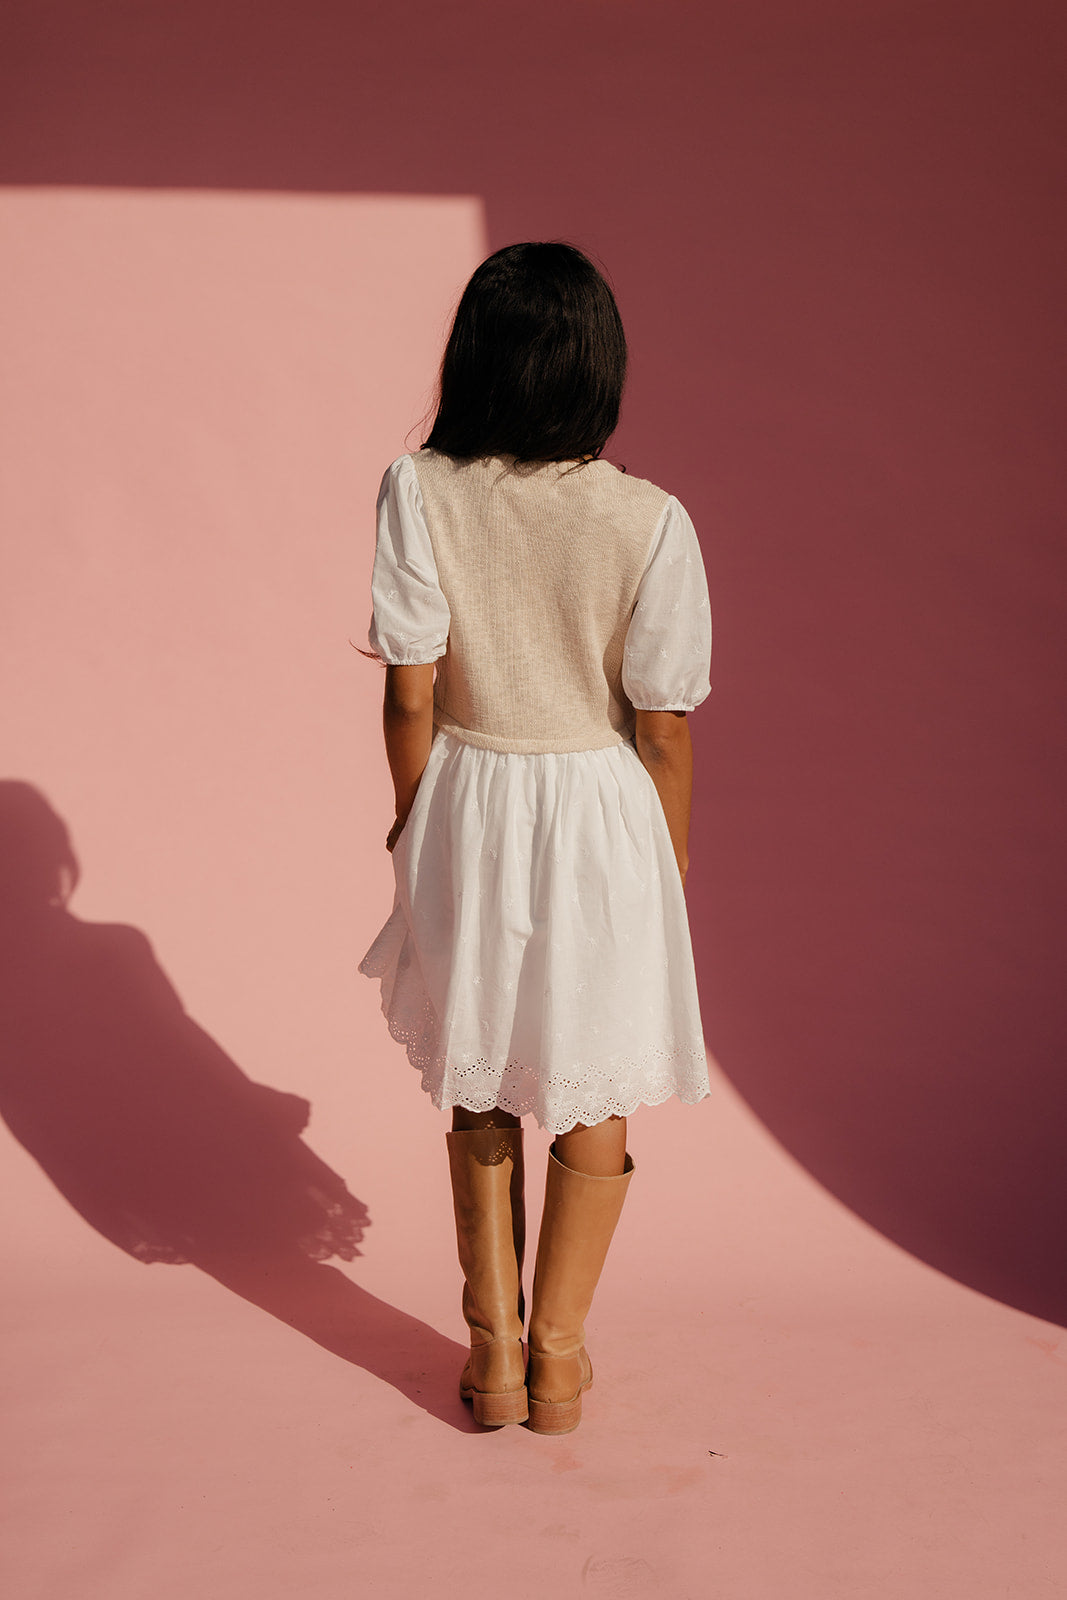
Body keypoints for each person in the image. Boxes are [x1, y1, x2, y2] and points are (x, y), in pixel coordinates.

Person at [358, 241, 711, 1434]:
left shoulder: (417, 490)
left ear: (474, 359)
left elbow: (409, 693)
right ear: (596, 370)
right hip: (600, 809)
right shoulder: (651, 520)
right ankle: (559, 1356)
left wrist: (412, 820)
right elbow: (661, 723)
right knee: (590, 1067)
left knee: (479, 1072)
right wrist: (662, 864)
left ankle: (492, 1353)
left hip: (469, 793)